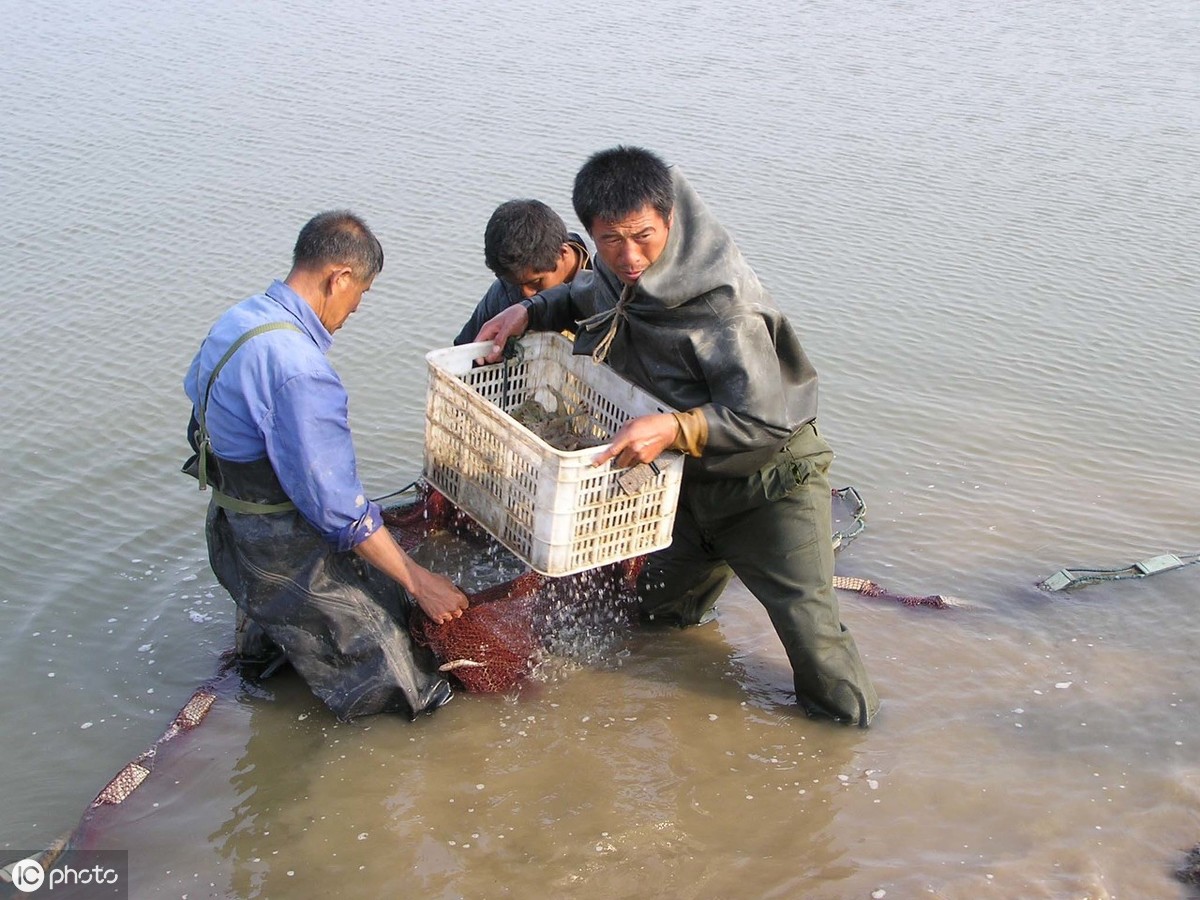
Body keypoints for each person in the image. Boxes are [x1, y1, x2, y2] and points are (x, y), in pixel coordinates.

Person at [478, 147, 879, 726]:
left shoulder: (723, 307)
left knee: (812, 635)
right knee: (660, 617)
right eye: (611, 241)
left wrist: (674, 426)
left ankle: (855, 746)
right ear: (585, 235)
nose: (629, 255)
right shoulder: (615, 279)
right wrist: (530, 310)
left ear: (670, 218)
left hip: (768, 486)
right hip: (686, 488)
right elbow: (579, 295)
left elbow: (765, 420)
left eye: (643, 236)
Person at [183, 211, 469, 721]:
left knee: (276, 655)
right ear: (338, 277)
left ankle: (262, 661)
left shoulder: (240, 320)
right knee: (405, 683)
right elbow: (339, 509)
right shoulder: (300, 369)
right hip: (281, 551)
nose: (354, 310)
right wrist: (418, 580)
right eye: (359, 295)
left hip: (232, 531)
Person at [453, 199, 591, 345]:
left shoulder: (607, 282)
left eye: (536, 282)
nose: (526, 294)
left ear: (562, 253)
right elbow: (463, 351)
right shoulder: (503, 291)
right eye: (516, 284)